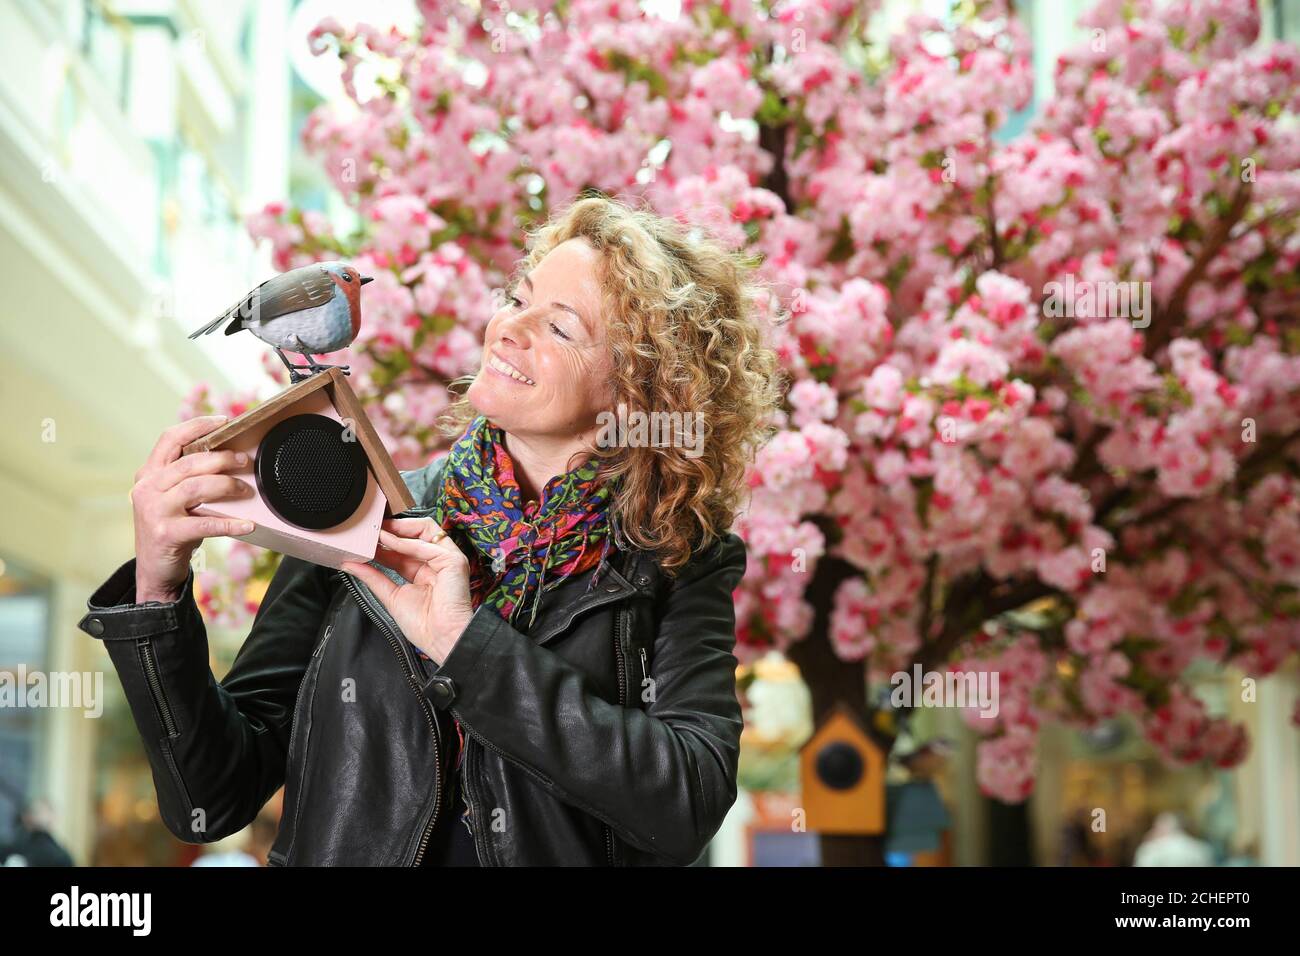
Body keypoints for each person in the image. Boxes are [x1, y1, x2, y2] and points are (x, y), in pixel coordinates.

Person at [77, 195, 782, 866]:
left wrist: (461, 643)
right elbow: (211, 799)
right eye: (518, 298)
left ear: (640, 387)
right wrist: (156, 592)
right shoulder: (362, 508)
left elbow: (686, 802)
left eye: (560, 326)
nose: (508, 327)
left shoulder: (681, 555)